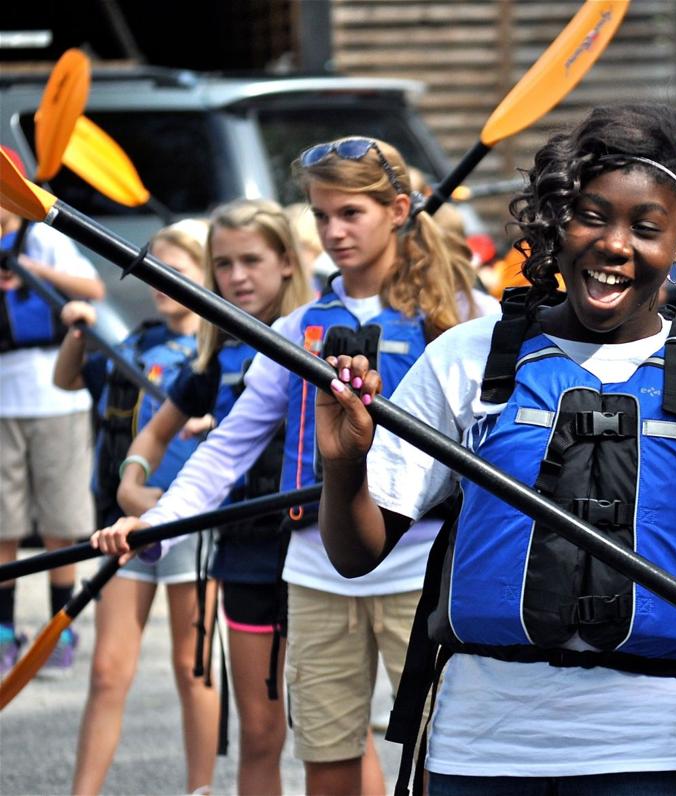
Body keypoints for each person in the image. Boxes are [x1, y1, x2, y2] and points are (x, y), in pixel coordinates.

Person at [311, 103, 676, 795]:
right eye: (592, 216)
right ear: (557, 221)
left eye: (646, 228)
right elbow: (355, 553)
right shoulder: (468, 359)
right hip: (480, 751)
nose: (615, 245)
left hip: (655, 751)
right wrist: (342, 465)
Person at [91, 136, 495, 795]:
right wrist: (160, 519)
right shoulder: (296, 330)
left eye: (350, 214)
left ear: (399, 210)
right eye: (321, 216)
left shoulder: (466, 319)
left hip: (423, 576)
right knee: (328, 765)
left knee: (440, 766)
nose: (333, 232)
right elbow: (227, 449)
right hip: (316, 577)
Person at [112, 199, 311, 795]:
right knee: (259, 734)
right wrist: (132, 478)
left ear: (284, 262)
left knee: (335, 738)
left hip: (321, 554)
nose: (237, 276)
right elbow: (155, 430)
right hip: (245, 555)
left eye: (251, 260)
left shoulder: (319, 333)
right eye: (223, 265)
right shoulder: (216, 354)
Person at [53, 219, 220, 796]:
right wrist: (78, 333)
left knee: (190, 666)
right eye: (154, 270)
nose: (161, 282)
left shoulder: (219, 352)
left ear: (207, 274)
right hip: (123, 522)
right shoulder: (134, 342)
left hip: (191, 523)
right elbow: (68, 379)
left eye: (178, 271)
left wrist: (214, 422)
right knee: (107, 670)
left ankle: (199, 788)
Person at [0, 148, 106, 678]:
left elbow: (93, 289)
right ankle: (3, 630)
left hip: (54, 396)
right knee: (3, 525)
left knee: (62, 521)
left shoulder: (42, 236)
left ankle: (58, 629)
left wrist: (29, 268)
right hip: (3, 401)